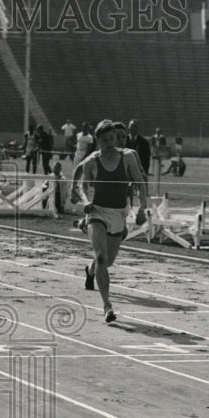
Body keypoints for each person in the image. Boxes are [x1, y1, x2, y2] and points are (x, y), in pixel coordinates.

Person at [71, 120, 148, 323]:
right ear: (98, 140)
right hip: (97, 212)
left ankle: (90, 271)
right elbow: (83, 184)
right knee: (102, 258)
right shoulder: (92, 161)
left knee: (108, 261)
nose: (109, 143)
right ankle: (107, 306)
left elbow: (140, 182)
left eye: (112, 139)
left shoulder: (128, 157)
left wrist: (142, 209)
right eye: (105, 140)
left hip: (119, 213)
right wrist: (85, 200)